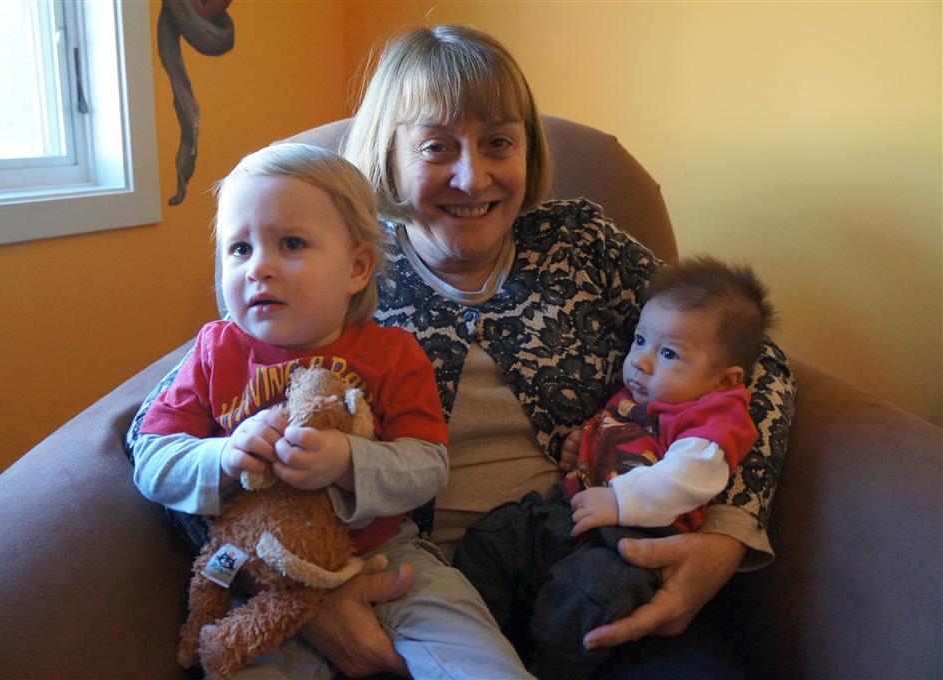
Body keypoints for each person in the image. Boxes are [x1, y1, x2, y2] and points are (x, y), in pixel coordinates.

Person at [130, 24, 795, 678]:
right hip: (403, 590)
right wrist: (309, 599)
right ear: (389, 156)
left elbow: (752, 362)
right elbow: (167, 437)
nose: (473, 178)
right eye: (437, 147)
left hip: (598, 567)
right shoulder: (322, 260)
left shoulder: (582, 243)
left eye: (498, 142)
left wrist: (726, 533)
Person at [129, 143, 533, 679]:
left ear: (357, 267)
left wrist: (347, 462)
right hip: (261, 580)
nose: (258, 268)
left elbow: (428, 466)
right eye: (239, 249)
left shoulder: (392, 354)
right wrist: (222, 457)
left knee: (479, 661)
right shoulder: (213, 351)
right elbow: (151, 460)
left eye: (291, 243)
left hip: (386, 555)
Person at [451, 256, 778, 679]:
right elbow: (614, 436)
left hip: (631, 542)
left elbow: (692, 476)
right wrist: (582, 446)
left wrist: (621, 499)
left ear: (724, 381)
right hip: (566, 514)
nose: (641, 361)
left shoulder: (712, 415)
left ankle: (551, 669)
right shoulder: (643, 392)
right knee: (492, 540)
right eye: (640, 340)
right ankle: (476, 647)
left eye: (668, 353)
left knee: (588, 595)